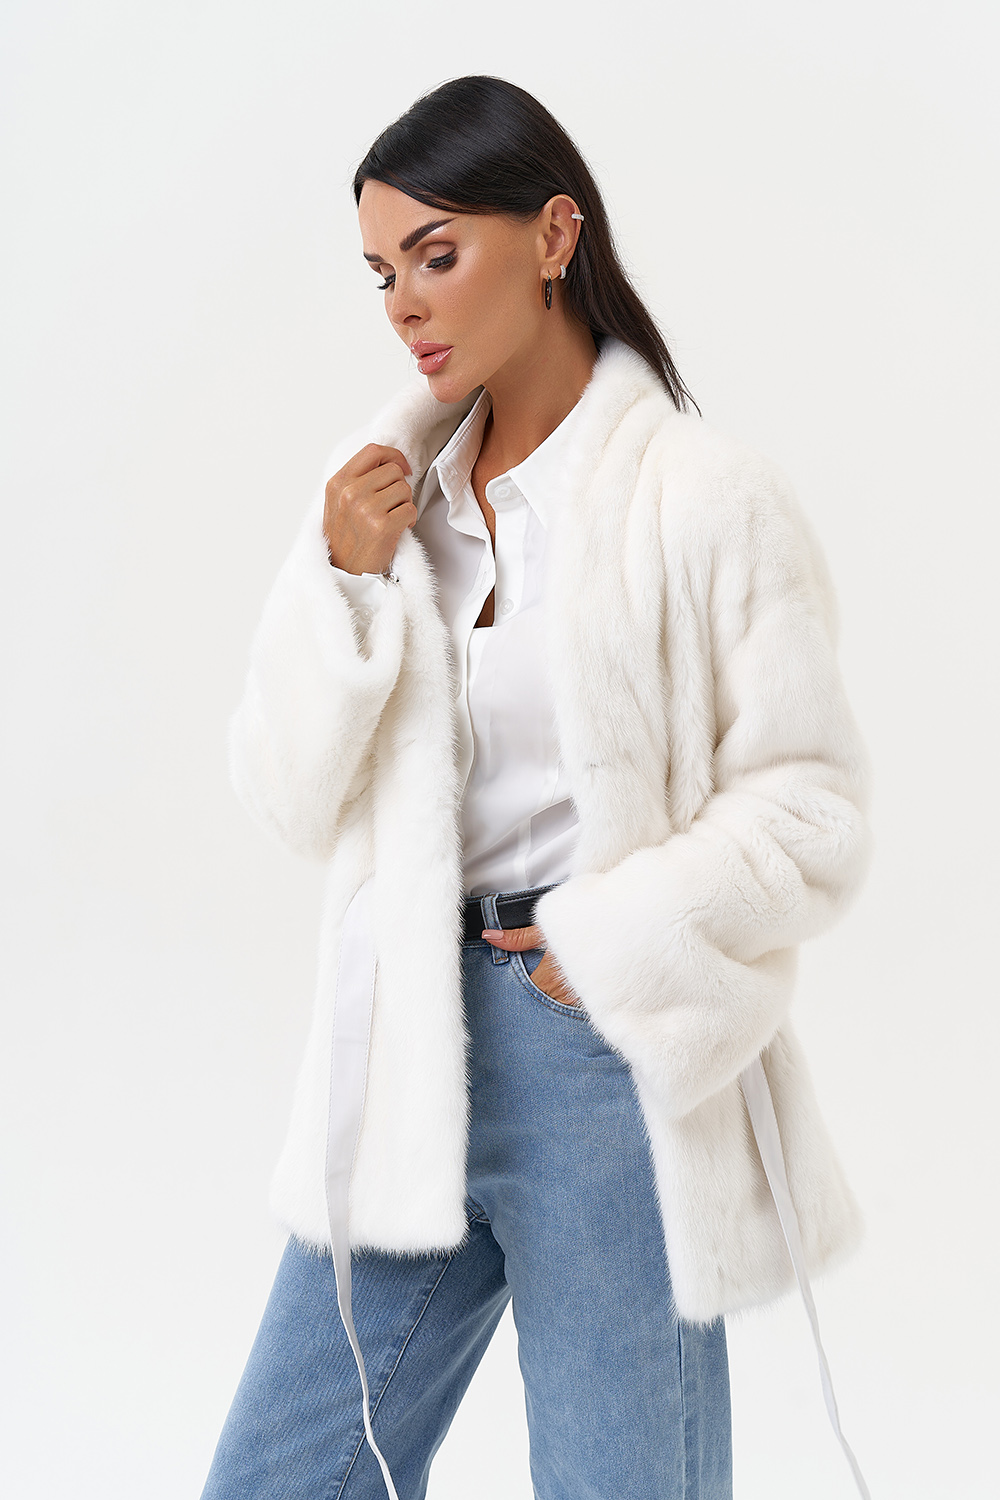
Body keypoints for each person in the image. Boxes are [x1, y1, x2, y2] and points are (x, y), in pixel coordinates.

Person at [200, 74, 873, 1500]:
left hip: (600, 1054)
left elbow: (811, 810)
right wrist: (343, 585)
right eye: (382, 272)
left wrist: (605, 947)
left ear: (555, 235)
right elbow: (286, 792)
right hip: (406, 1046)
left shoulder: (705, 498)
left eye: (436, 254)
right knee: (276, 1476)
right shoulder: (385, 502)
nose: (404, 304)